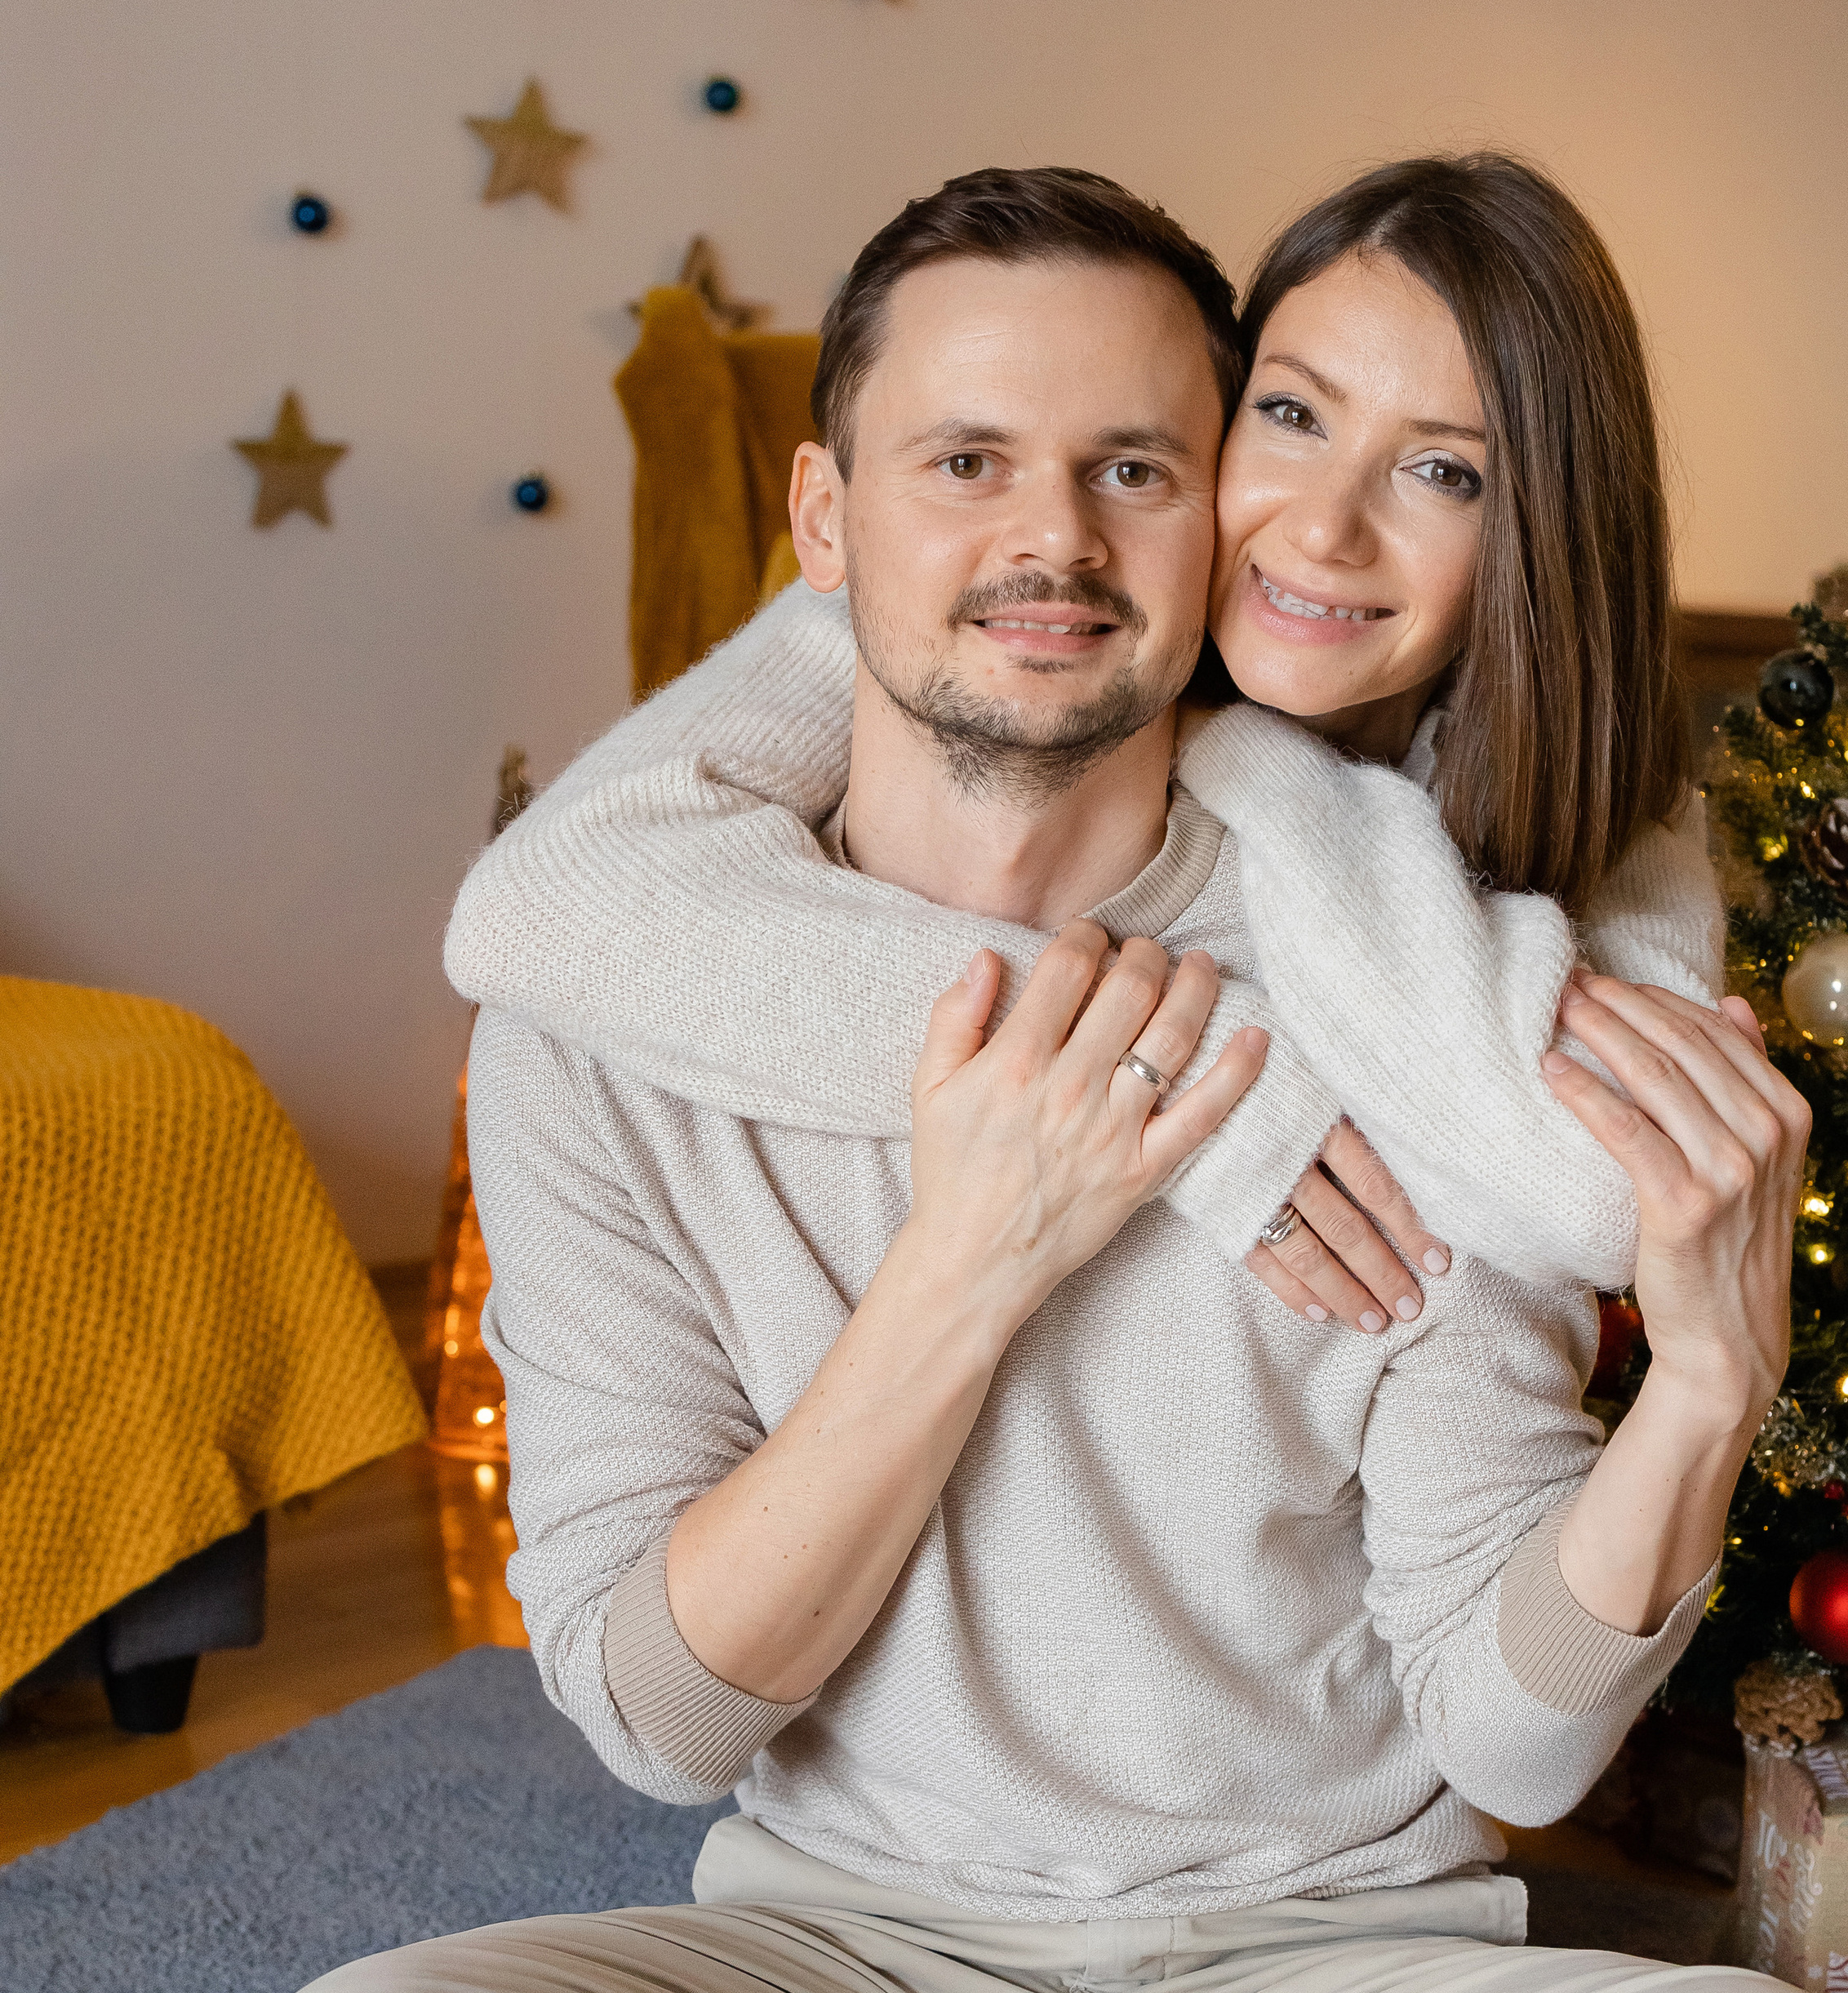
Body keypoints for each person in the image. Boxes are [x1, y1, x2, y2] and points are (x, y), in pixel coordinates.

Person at [208, 169, 1848, 1993]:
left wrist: (1715, 1387)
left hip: (1325, 1986)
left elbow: (1508, 1739)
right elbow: (659, 1715)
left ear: (1204, 500)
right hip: (845, 1973)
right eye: (967, 464)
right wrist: (971, 1263)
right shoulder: (606, 1004)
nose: (1057, 537)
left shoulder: (1405, 1016)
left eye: (1136, 462)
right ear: (825, 516)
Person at [437, 154, 1726, 1344]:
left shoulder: (1618, 807)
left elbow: (1601, 1199)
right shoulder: (987, 618)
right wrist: (1197, 1100)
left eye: (1447, 473)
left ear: (1541, 539)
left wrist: (1262, 771)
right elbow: (535, 905)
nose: (1327, 527)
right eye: (1292, 414)